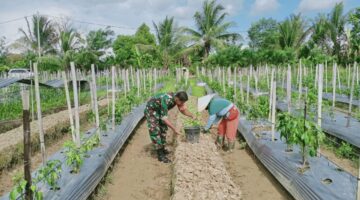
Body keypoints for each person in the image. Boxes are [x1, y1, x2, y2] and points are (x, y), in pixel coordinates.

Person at [144, 91, 195, 163]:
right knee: (155, 130)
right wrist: (174, 129)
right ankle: (160, 155)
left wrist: (192, 115)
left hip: (159, 109)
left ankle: (162, 148)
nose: (183, 104)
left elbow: (182, 110)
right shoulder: (165, 100)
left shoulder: (177, 98)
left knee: (163, 128)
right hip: (151, 110)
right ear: (177, 99)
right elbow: (164, 119)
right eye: (182, 102)